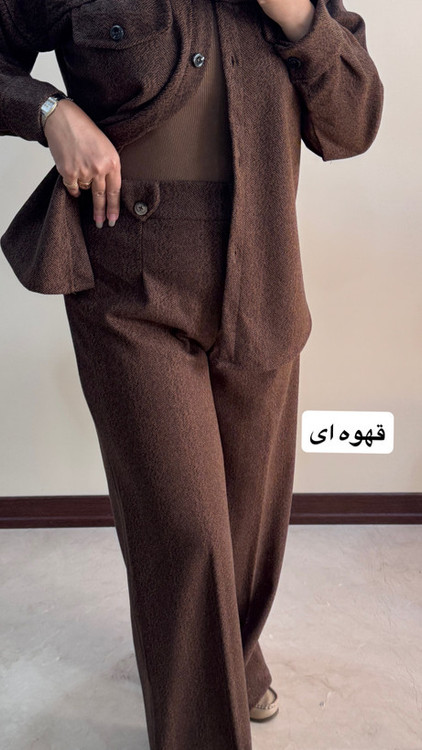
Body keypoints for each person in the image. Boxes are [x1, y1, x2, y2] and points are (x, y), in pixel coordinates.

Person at [0, 0, 384, 748]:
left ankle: (232, 656)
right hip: (125, 284)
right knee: (185, 536)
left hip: (263, 276)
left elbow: (354, 123)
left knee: (248, 529)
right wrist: (50, 112)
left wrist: (296, 16)